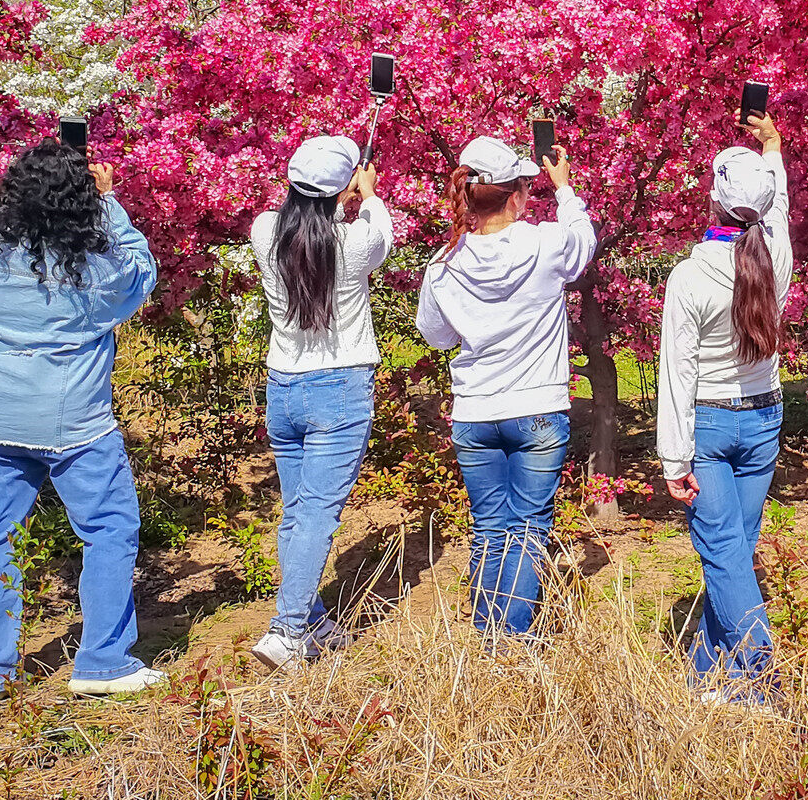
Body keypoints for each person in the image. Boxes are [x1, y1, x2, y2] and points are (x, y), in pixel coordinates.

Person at [0, 141, 162, 703]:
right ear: (83, 205)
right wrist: (108, 201)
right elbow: (141, 271)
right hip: (75, 423)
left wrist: (44, 187)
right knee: (108, 530)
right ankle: (102, 661)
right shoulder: (97, 273)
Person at [415, 135, 595, 641]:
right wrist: (564, 189)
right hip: (537, 406)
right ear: (516, 196)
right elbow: (582, 242)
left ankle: (488, 632)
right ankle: (510, 641)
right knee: (529, 528)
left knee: (491, 528)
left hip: (475, 411)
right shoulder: (544, 244)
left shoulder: (443, 264)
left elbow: (436, 335)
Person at [659, 112, 792, 699]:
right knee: (734, 547)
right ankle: (711, 676)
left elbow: (675, 371)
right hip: (763, 418)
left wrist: (673, 458)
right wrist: (775, 151)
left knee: (723, 553)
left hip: (709, 425)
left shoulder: (691, 276)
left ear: (711, 199)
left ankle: (759, 684)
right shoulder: (777, 261)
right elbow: (780, 212)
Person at [246, 136, 393, 670]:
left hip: (283, 387)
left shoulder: (265, 231)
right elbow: (384, 236)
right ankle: (286, 631)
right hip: (339, 388)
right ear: (341, 188)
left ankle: (312, 620)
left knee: (298, 512)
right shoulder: (355, 243)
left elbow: (303, 224)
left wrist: (341, 196)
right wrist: (370, 194)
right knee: (316, 516)